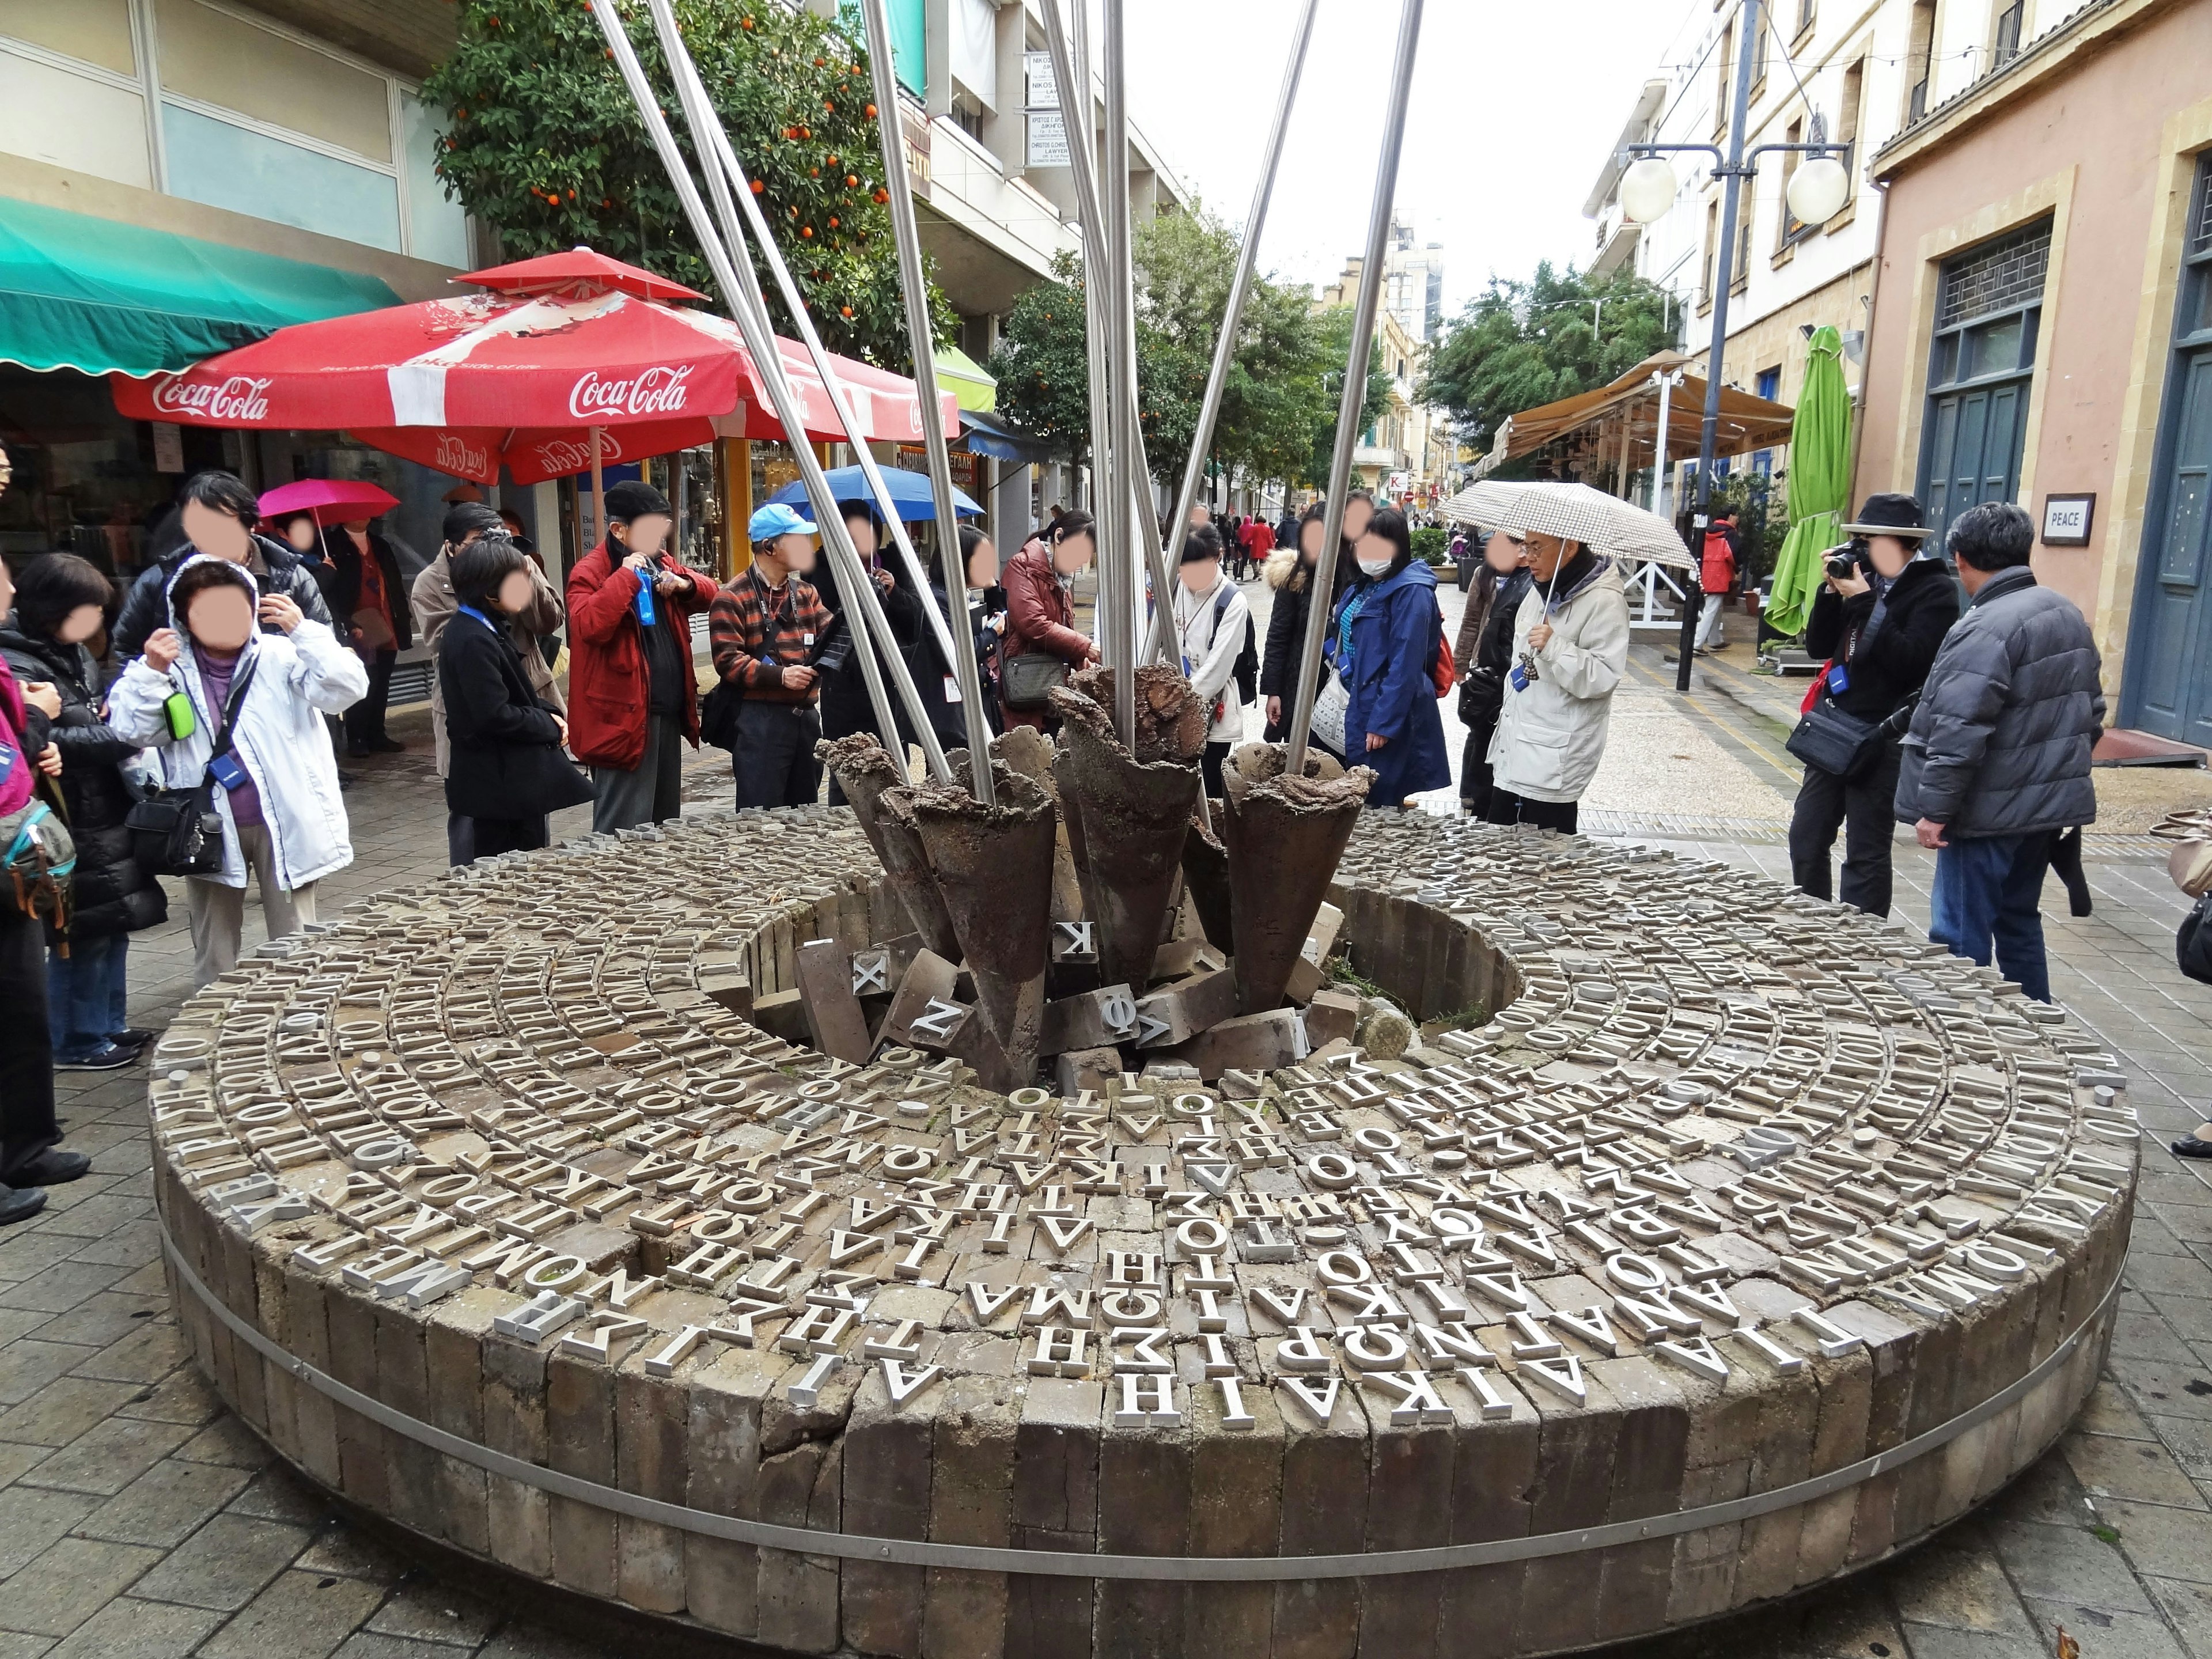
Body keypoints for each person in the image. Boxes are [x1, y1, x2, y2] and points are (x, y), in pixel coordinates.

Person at [108, 556, 366, 989]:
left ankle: (299, 1017)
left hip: (284, 819)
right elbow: (132, 730)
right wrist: (149, 674)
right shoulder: (169, 669)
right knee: (214, 944)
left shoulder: (284, 654)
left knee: (297, 937)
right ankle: (214, 1025)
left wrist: (305, 632)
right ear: (183, 617)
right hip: (206, 824)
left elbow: (347, 690)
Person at [1895, 501, 2104, 1003]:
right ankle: (2038, 1027)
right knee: (2018, 921)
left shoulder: (1984, 626)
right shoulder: (2064, 611)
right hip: (2041, 811)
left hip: (1986, 810)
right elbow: (2091, 714)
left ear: (1962, 559)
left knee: (1959, 933)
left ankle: (1965, 1037)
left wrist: (1935, 811)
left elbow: (1959, 729)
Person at [0, 556, 165, 1071]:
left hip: (100, 806)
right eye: (85, 608)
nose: (94, 619)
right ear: (53, 607)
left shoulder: (71, 653)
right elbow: (37, 737)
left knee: (110, 921)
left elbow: (84, 716)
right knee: (78, 932)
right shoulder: (20, 664)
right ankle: (76, 1040)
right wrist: (118, 737)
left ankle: (107, 1025)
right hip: (64, 814)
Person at [1787, 494, 1956, 917]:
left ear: (1907, 546)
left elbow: (1911, 661)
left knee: (1866, 850)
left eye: (1874, 541)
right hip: (1835, 727)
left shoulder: (1935, 591)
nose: (1864, 550)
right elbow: (1819, 647)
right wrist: (1830, 593)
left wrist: (1865, 603)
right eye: (1861, 540)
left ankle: (1863, 944)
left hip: (1884, 735)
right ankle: (1814, 922)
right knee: (1806, 836)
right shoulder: (1861, 580)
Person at [0, 553, 85, 1225]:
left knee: (23, 1010)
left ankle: (27, 1147)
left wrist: (38, 736)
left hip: (15, 865)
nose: (8, 588)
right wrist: (37, 721)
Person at [414, 503, 566, 865]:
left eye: (498, 540)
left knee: (530, 807)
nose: (491, 548)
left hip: (526, 693)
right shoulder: (435, 587)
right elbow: (448, 644)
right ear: (452, 546)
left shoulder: (515, 566)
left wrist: (522, 571)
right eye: (478, 542)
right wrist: (492, 589)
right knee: (479, 824)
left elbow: (550, 621)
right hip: (476, 708)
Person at [566, 480, 717, 834]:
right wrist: (626, 577)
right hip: (623, 720)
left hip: (666, 711)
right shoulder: (590, 572)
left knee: (665, 825)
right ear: (619, 531)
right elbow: (589, 627)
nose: (660, 539)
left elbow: (712, 593)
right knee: (624, 828)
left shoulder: (661, 562)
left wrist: (686, 584)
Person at [437, 536, 590, 860]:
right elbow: (493, 713)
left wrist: (550, 713)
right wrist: (548, 724)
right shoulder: (470, 637)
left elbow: (517, 692)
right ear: (490, 592)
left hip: (510, 781)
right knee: (505, 874)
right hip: (496, 785)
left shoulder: (487, 625)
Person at [1485, 527, 1630, 833]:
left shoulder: (1604, 601)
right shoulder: (1541, 590)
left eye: (1537, 548)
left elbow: (1601, 677)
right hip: (1517, 742)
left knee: (1546, 861)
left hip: (1554, 753)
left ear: (1570, 547)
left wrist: (1555, 646)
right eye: (1526, 547)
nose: (1528, 557)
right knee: (1498, 851)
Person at [111, 471, 332, 662]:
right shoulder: (162, 580)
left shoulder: (291, 578)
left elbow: (327, 648)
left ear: (251, 524)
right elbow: (127, 648)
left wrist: (301, 631)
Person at [711, 503, 832, 810]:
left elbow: (830, 634)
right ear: (769, 546)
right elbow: (727, 660)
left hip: (806, 718)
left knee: (805, 812)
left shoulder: (806, 592)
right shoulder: (732, 596)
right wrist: (781, 676)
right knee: (759, 817)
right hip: (759, 720)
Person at [1328, 506, 1450, 808]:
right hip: (1354, 697)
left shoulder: (1412, 592)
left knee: (1376, 799)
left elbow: (1405, 664)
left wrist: (1384, 722)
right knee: (1353, 794)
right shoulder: (1364, 585)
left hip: (1384, 706)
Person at [316, 514, 412, 757]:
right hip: (355, 622)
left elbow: (394, 582)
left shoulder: (380, 544)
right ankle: (357, 737)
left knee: (383, 680)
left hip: (385, 618)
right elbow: (327, 591)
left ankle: (377, 734)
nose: (361, 517)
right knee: (360, 679)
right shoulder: (330, 544)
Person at [1455, 529, 1533, 819]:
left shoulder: (1530, 584)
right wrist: (1461, 664)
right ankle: (1470, 791)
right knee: (1478, 727)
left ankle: (1488, 793)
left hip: (1511, 666)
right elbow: (1471, 620)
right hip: (1484, 663)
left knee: (1493, 732)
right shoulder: (1483, 575)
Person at [1000, 509, 1100, 732]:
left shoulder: (1063, 579)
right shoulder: (1023, 566)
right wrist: (1085, 646)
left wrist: (1079, 658)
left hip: (1054, 687)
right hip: (1028, 684)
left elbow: (1064, 628)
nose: (1083, 560)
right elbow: (1034, 623)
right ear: (1058, 536)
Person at [1169, 528, 1250, 798]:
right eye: (1185, 569)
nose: (1190, 577)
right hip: (1168, 711)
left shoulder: (1232, 601)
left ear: (1218, 557)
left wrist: (1177, 702)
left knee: (1207, 791)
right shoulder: (1173, 586)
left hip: (1210, 714)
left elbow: (1217, 668)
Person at [1260, 504, 1327, 741]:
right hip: (1295, 686)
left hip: (1336, 690)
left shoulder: (1352, 579)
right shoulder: (1294, 578)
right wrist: (1273, 692)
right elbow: (1277, 637)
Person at [961, 524, 1006, 734]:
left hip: (980, 693)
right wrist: (991, 634)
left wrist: (992, 589)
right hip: (957, 704)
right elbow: (961, 652)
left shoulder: (967, 594)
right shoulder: (941, 600)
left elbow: (1001, 620)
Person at [1691, 507, 1740, 655]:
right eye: (1737, 516)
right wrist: (1737, 568)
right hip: (1720, 574)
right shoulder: (1729, 534)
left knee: (1716, 608)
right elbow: (1732, 555)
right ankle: (1696, 644)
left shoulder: (1707, 532)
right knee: (1711, 609)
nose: (1738, 520)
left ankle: (1715, 640)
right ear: (1731, 516)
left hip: (1706, 572)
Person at [1237, 513, 1275, 585]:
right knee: (1263, 562)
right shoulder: (1267, 529)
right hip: (1264, 547)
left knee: (1253, 560)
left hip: (1255, 546)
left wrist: (1244, 543)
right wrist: (1271, 548)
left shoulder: (1254, 528)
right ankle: (1260, 574)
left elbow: (1249, 537)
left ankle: (1256, 571)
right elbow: (1269, 539)